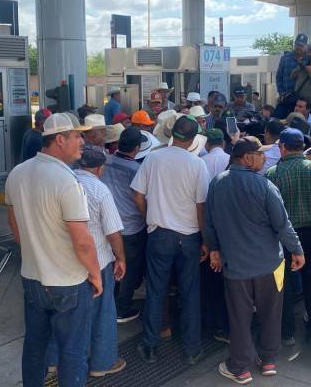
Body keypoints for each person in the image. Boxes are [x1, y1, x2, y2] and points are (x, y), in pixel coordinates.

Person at [5, 113, 101, 387]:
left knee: (35, 346)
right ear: (60, 139)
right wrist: (95, 274)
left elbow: (15, 227)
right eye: (77, 136)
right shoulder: (67, 181)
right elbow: (82, 241)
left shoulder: (18, 173)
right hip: (68, 282)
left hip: (32, 278)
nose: (82, 141)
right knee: (72, 351)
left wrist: (38, 253)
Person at [204, 136, 305, 384]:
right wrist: (298, 250)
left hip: (235, 266)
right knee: (271, 313)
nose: (264, 157)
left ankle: (240, 368)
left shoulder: (217, 184)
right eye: (260, 154)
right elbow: (283, 225)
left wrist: (214, 248)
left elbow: (209, 223)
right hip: (270, 264)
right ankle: (269, 360)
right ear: (248, 158)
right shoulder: (265, 186)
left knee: (239, 318)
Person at [131, 115, 210, 365]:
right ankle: (192, 349)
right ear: (194, 139)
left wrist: (150, 218)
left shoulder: (153, 157)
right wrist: (205, 240)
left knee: (156, 291)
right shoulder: (197, 165)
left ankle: (150, 345)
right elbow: (201, 207)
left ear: (172, 134)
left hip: (159, 234)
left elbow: (138, 196)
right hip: (188, 238)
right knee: (189, 292)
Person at [266, 128, 311, 345]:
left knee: (281, 285)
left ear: (282, 148)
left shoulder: (272, 175)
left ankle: (287, 333)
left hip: (283, 238)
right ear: (302, 147)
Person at [74, 145, 127, 377]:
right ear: (100, 168)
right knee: (103, 312)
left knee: (68, 314)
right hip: (99, 260)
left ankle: (55, 359)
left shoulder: (67, 181)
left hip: (70, 260)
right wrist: (121, 258)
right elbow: (113, 232)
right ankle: (102, 362)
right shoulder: (99, 189)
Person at [101, 127, 149, 323]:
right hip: (131, 228)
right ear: (137, 148)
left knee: (112, 265)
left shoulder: (106, 162)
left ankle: (107, 304)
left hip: (108, 225)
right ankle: (122, 308)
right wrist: (146, 218)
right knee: (128, 268)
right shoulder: (136, 170)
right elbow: (140, 198)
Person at [275, 33, 309, 118]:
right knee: (279, 120)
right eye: (297, 45)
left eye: (301, 45)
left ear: (306, 46)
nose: (299, 47)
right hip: (286, 98)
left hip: (301, 101)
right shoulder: (285, 58)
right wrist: (281, 92)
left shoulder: (309, 59)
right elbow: (279, 77)